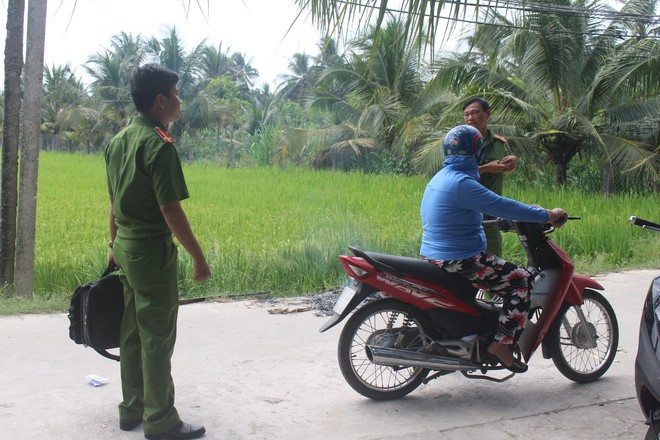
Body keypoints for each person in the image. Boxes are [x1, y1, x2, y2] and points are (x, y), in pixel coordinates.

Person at [106, 64, 211, 440]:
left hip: (125, 249)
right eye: (176, 95)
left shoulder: (117, 142)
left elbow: (114, 201)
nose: (180, 102)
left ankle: (131, 409)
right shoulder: (160, 145)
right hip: (152, 253)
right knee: (157, 337)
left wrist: (112, 245)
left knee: (132, 332)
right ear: (160, 100)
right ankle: (161, 419)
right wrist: (198, 256)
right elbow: (170, 210)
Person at [420, 124, 567, 373]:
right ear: (477, 151)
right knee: (521, 281)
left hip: (434, 255)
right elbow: (503, 205)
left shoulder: (441, 178)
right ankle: (501, 344)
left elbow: (469, 212)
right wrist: (548, 215)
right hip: (461, 259)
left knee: (500, 273)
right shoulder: (463, 184)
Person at [463, 97, 517, 258]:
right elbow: (455, 176)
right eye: (466, 115)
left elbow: (504, 171)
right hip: (467, 214)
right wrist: (487, 168)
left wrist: (512, 161)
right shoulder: (460, 144)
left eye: (475, 113)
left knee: (494, 259)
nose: (470, 118)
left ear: (487, 114)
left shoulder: (499, 143)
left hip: (492, 215)